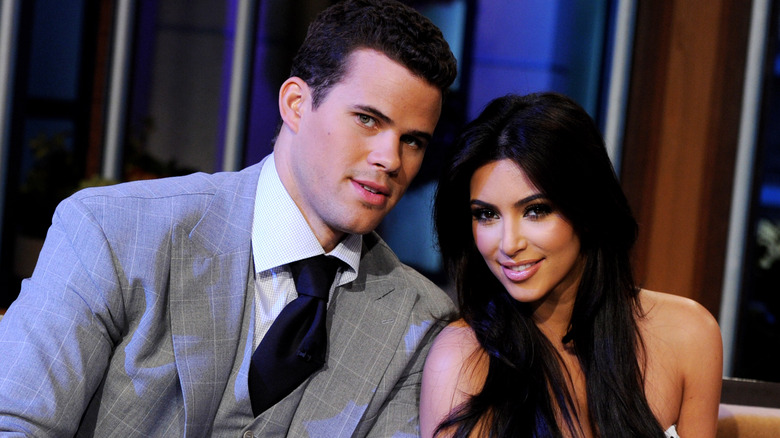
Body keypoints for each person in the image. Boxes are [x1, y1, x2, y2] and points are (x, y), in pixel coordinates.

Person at [0, 0, 457, 436]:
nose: (391, 159)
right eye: (368, 120)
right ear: (296, 103)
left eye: (413, 141)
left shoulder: (420, 323)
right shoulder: (115, 232)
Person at [420, 93, 722, 437]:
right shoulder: (462, 357)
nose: (508, 244)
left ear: (588, 209)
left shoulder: (688, 335)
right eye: (486, 215)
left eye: (536, 210)